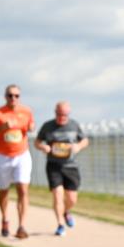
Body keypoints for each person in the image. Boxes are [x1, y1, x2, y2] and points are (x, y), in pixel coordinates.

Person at [0, 84, 34, 239]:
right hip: (3, 156)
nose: (13, 98)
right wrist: (2, 128)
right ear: (5, 96)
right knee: (4, 190)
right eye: (10, 95)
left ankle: (22, 226)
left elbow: (30, 126)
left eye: (16, 95)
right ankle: (5, 219)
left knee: (23, 189)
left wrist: (32, 127)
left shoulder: (27, 111)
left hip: (22, 155)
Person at [34, 101, 89, 236]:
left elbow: (85, 140)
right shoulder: (48, 126)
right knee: (58, 195)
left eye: (65, 115)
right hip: (53, 165)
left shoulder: (74, 125)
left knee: (72, 199)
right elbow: (37, 142)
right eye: (59, 114)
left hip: (71, 166)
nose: (62, 117)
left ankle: (66, 212)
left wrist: (78, 146)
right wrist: (43, 147)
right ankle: (60, 225)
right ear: (55, 113)